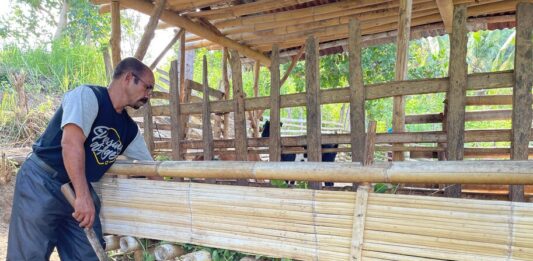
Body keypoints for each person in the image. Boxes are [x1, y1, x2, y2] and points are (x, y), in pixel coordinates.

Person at [7, 57, 155, 260]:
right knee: (28, 255)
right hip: (41, 182)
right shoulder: (88, 96)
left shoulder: (128, 129)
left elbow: (151, 168)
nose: (148, 95)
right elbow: (71, 144)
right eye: (148, 88)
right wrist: (84, 197)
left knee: (88, 254)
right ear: (129, 78)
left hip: (77, 188)